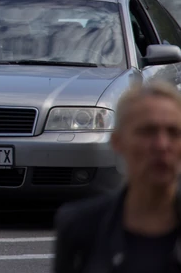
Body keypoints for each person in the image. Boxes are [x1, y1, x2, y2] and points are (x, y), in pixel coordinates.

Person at [54, 81, 181, 273]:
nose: (162, 145)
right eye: (147, 131)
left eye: (174, 132)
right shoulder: (80, 227)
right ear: (118, 142)